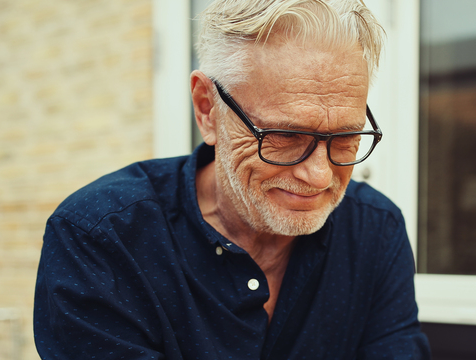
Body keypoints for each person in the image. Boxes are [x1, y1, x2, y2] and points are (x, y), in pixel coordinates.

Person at [33, 0, 430, 358]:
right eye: (284, 136)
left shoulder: (375, 229)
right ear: (208, 109)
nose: (319, 175)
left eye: (345, 138)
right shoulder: (100, 240)